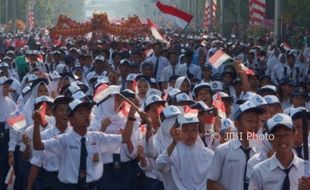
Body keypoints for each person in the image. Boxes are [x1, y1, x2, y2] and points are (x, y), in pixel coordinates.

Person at [32, 98, 136, 190]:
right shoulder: (64, 140)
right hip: (69, 187)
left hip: (92, 186)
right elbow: (38, 146)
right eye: (81, 113)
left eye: (88, 112)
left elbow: (124, 138)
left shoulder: (96, 137)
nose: (86, 115)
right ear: (71, 119)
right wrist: (36, 124)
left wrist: (131, 116)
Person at [207, 100, 264, 190]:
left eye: (256, 121)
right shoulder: (223, 150)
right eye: (249, 120)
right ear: (237, 124)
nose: (254, 125)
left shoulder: (261, 151)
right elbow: (211, 183)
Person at [156, 113, 214, 190]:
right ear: (180, 131)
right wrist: (174, 143)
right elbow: (159, 165)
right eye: (185, 130)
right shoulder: (175, 153)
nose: (190, 134)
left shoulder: (208, 154)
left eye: (194, 130)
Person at [249, 113, 304, 190]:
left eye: (286, 134)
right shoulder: (259, 171)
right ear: (269, 138)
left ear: (294, 135)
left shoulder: (306, 168)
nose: (282, 139)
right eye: (277, 135)